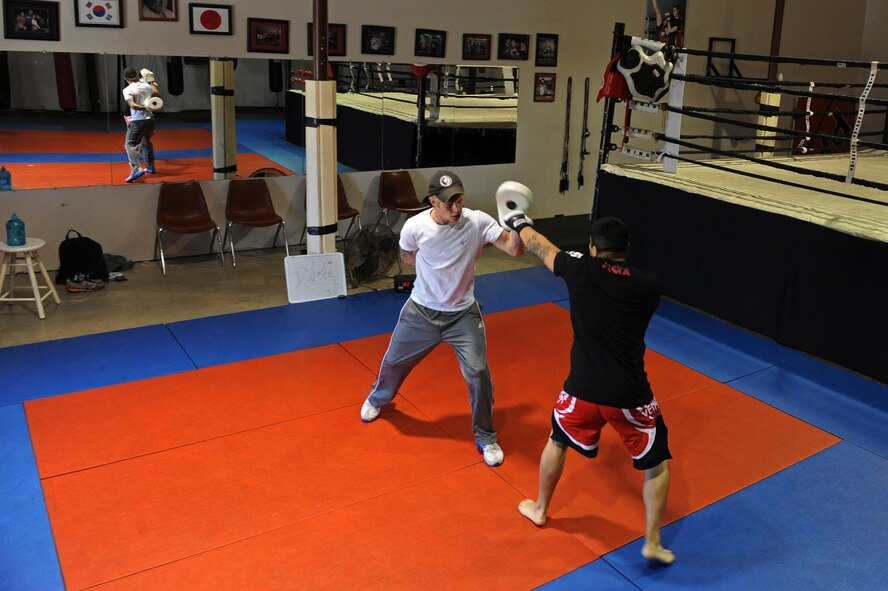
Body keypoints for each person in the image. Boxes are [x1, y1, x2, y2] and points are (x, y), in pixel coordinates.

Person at [503, 211, 675, 564]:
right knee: (656, 465)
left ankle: (539, 508)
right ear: (625, 249)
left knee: (556, 441)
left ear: (593, 247)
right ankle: (652, 541)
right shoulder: (649, 284)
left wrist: (518, 220)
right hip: (629, 395)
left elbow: (541, 246)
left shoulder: (579, 269)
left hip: (580, 391)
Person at [360, 170, 525, 467]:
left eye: (459, 200)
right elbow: (408, 255)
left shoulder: (477, 221)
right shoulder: (415, 226)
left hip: (462, 314)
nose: (456, 208)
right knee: (394, 362)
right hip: (421, 311)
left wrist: (518, 222)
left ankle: (486, 436)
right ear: (433, 201)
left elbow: (514, 249)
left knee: (478, 374)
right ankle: (378, 399)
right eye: (448, 203)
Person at [121, 67, 160, 183]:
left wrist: (144, 107)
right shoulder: (147, 86)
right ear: (136, 76)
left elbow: (132, 105)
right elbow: (156, 95)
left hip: (138, 120)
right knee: (146, 141)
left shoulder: (127, 89)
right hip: (150, 119)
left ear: (125, 78)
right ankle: (150, 167)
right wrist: (151, 80)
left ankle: (136, 169)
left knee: (129, 144)